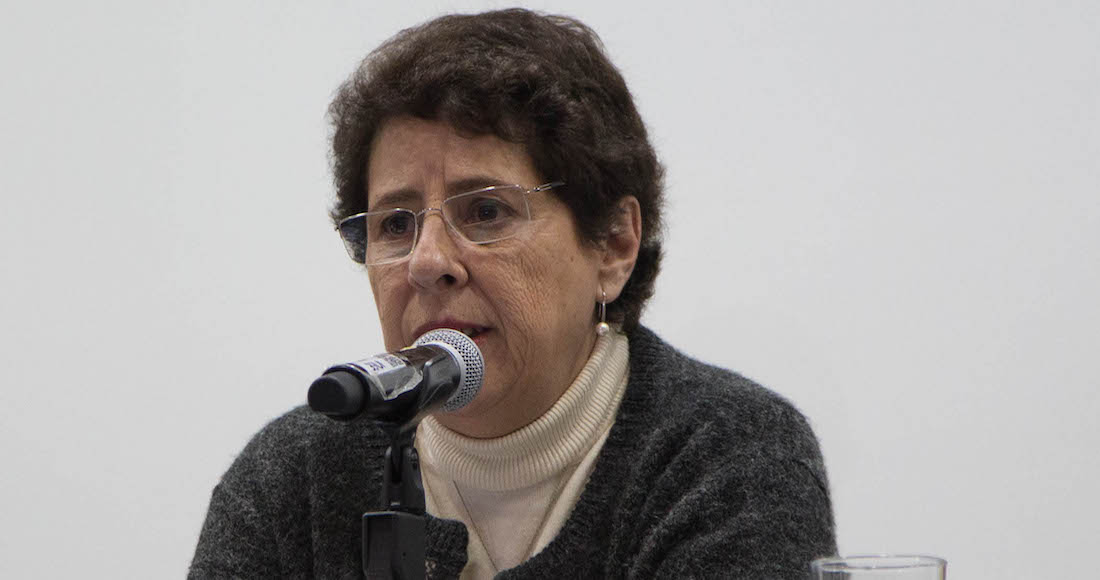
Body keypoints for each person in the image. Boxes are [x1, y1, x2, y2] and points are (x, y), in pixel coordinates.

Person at [190, 8, 836, 579]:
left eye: (486, 212)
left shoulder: (730, 455)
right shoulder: (293, 476)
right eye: (395, 224)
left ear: (613, 245)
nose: (427, 262)